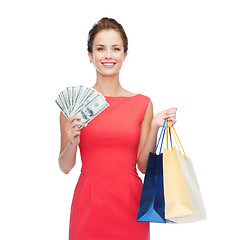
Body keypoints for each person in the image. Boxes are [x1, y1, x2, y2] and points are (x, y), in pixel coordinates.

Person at [58, 17, 177, 240]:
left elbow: (143, 166)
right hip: (89, 205)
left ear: (124, 55)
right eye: (101, 49)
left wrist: (154, 127)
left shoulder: (142, 104)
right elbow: (65, 167)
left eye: (116, 49)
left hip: (130, 206)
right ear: (90, 55)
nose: (108, 55)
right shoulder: (74, 107)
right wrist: (72, 142)